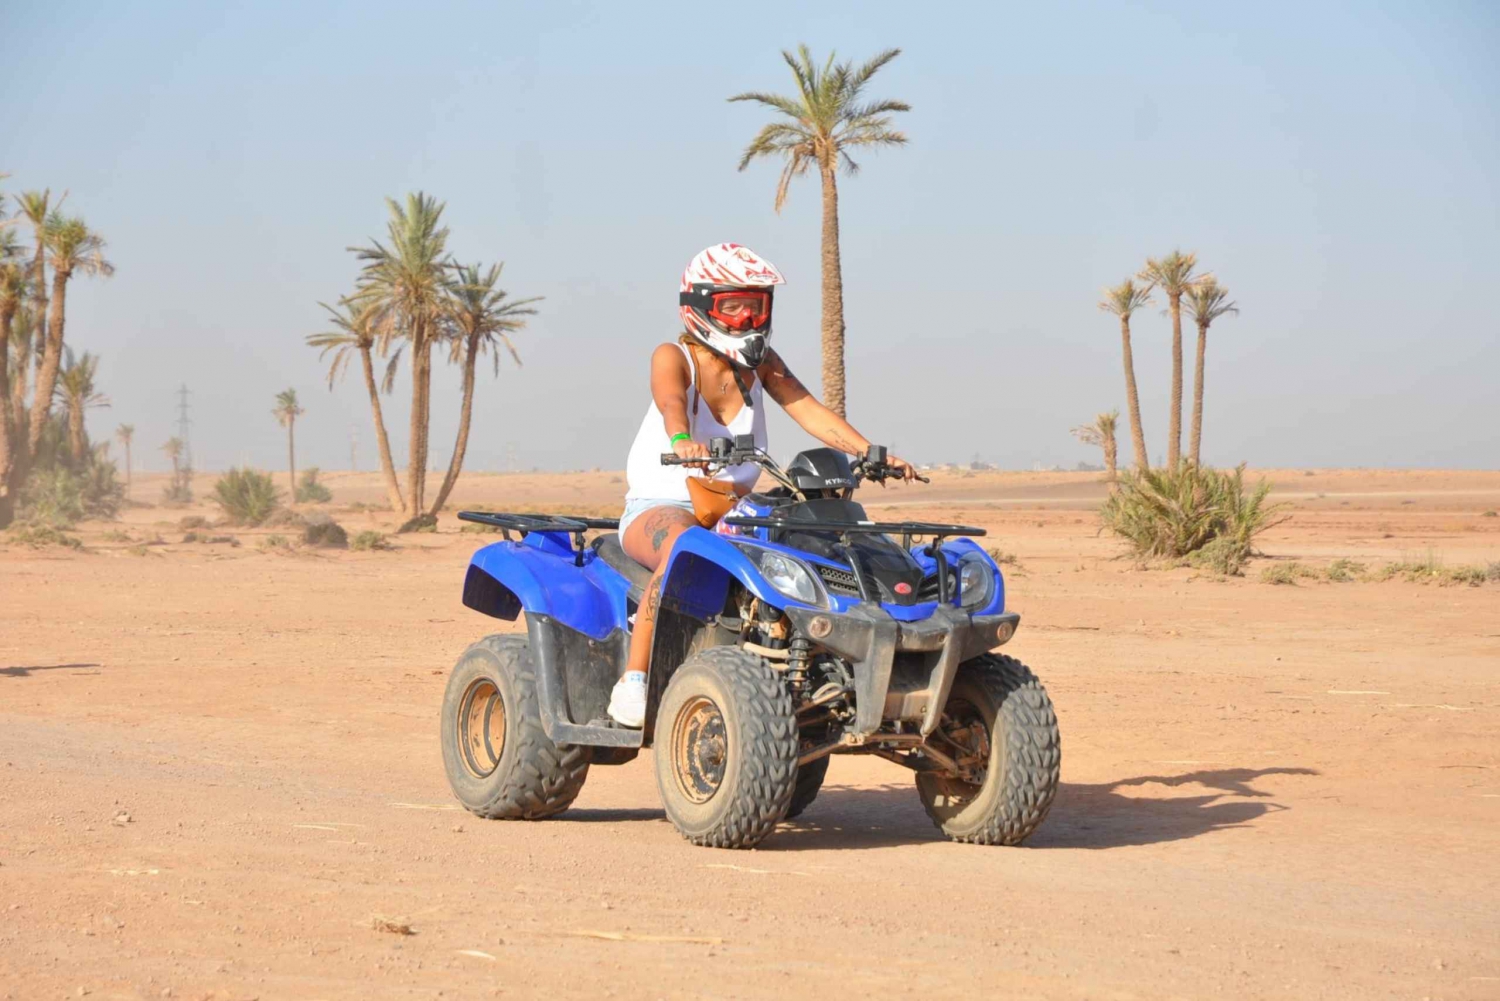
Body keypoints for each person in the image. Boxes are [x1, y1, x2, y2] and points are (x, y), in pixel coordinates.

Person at [606, 243, 915, 727]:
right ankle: (635, 681)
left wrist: (870, 452)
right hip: (660, 505)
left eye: (757, 304)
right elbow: (670, 398)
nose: (748, 317)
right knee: (685, 545)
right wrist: (684, 439)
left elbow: (807, 408)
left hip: (736, 510)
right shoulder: (676, 356)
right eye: (734, 305)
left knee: (813, 542)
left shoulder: (761, 363)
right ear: (701, 306)